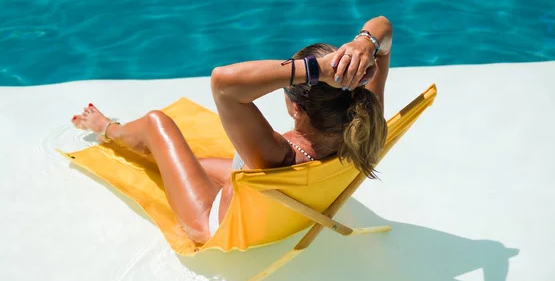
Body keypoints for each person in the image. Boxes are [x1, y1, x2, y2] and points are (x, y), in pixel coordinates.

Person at [72, 16, 392, 244]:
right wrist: (366, 41)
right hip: (279, 204)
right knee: (194, 161)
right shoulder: (365, 126)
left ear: (296, 107)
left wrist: (315, 70)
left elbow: (223, 83)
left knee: (159, 125)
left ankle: (107, 129)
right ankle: (157, 154)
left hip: (211, 221)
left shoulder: (275, 155)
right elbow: (384, 31)